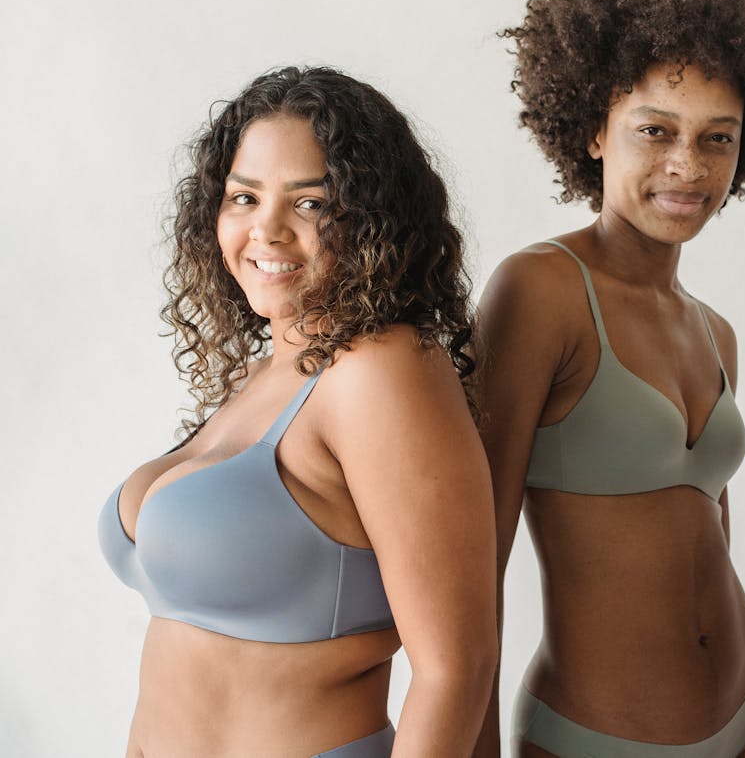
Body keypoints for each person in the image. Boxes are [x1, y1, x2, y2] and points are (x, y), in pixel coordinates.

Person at [473, 0, 745, 758]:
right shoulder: (540, 291)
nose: (686, 166)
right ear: (594, 129)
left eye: (717, 138)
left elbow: (710, 536)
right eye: (655, 130)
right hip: (595, 736)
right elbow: (469, 557)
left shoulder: (713, 329)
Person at [98, 67, 497, 757]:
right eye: (243, 197)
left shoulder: (382, 369)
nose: (267, 229)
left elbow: (453, 669)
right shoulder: (264, 376)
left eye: (310, 203)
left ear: (370, 217)